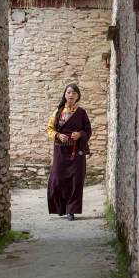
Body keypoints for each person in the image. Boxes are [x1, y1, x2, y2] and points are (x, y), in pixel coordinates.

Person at [46, 83, 92, 221]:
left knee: (75, 180)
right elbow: (49, 129)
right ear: (65, 95)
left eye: (74, 93)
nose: (71, 95)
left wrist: (79, 134)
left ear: (78, 96)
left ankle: (71, 210)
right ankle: (60, 208)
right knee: (57, 178)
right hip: (60, 150)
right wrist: (58, 135)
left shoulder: (82, 112)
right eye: (68, 92)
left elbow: (88, 130)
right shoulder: (58, 112)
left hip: (76, 151)